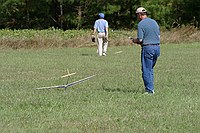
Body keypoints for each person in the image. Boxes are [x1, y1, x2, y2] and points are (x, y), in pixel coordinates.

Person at [132, 7, 160, 94]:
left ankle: (149, 90)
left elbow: (140, 39)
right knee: (150, 68)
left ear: (140, 15)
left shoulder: (141, 24)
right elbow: (158, 36)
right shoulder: (154, 22)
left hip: (148, 48)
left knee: (146, 69)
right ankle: (151, 87)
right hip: (157, 48)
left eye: (137, 15)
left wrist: (134, 40)